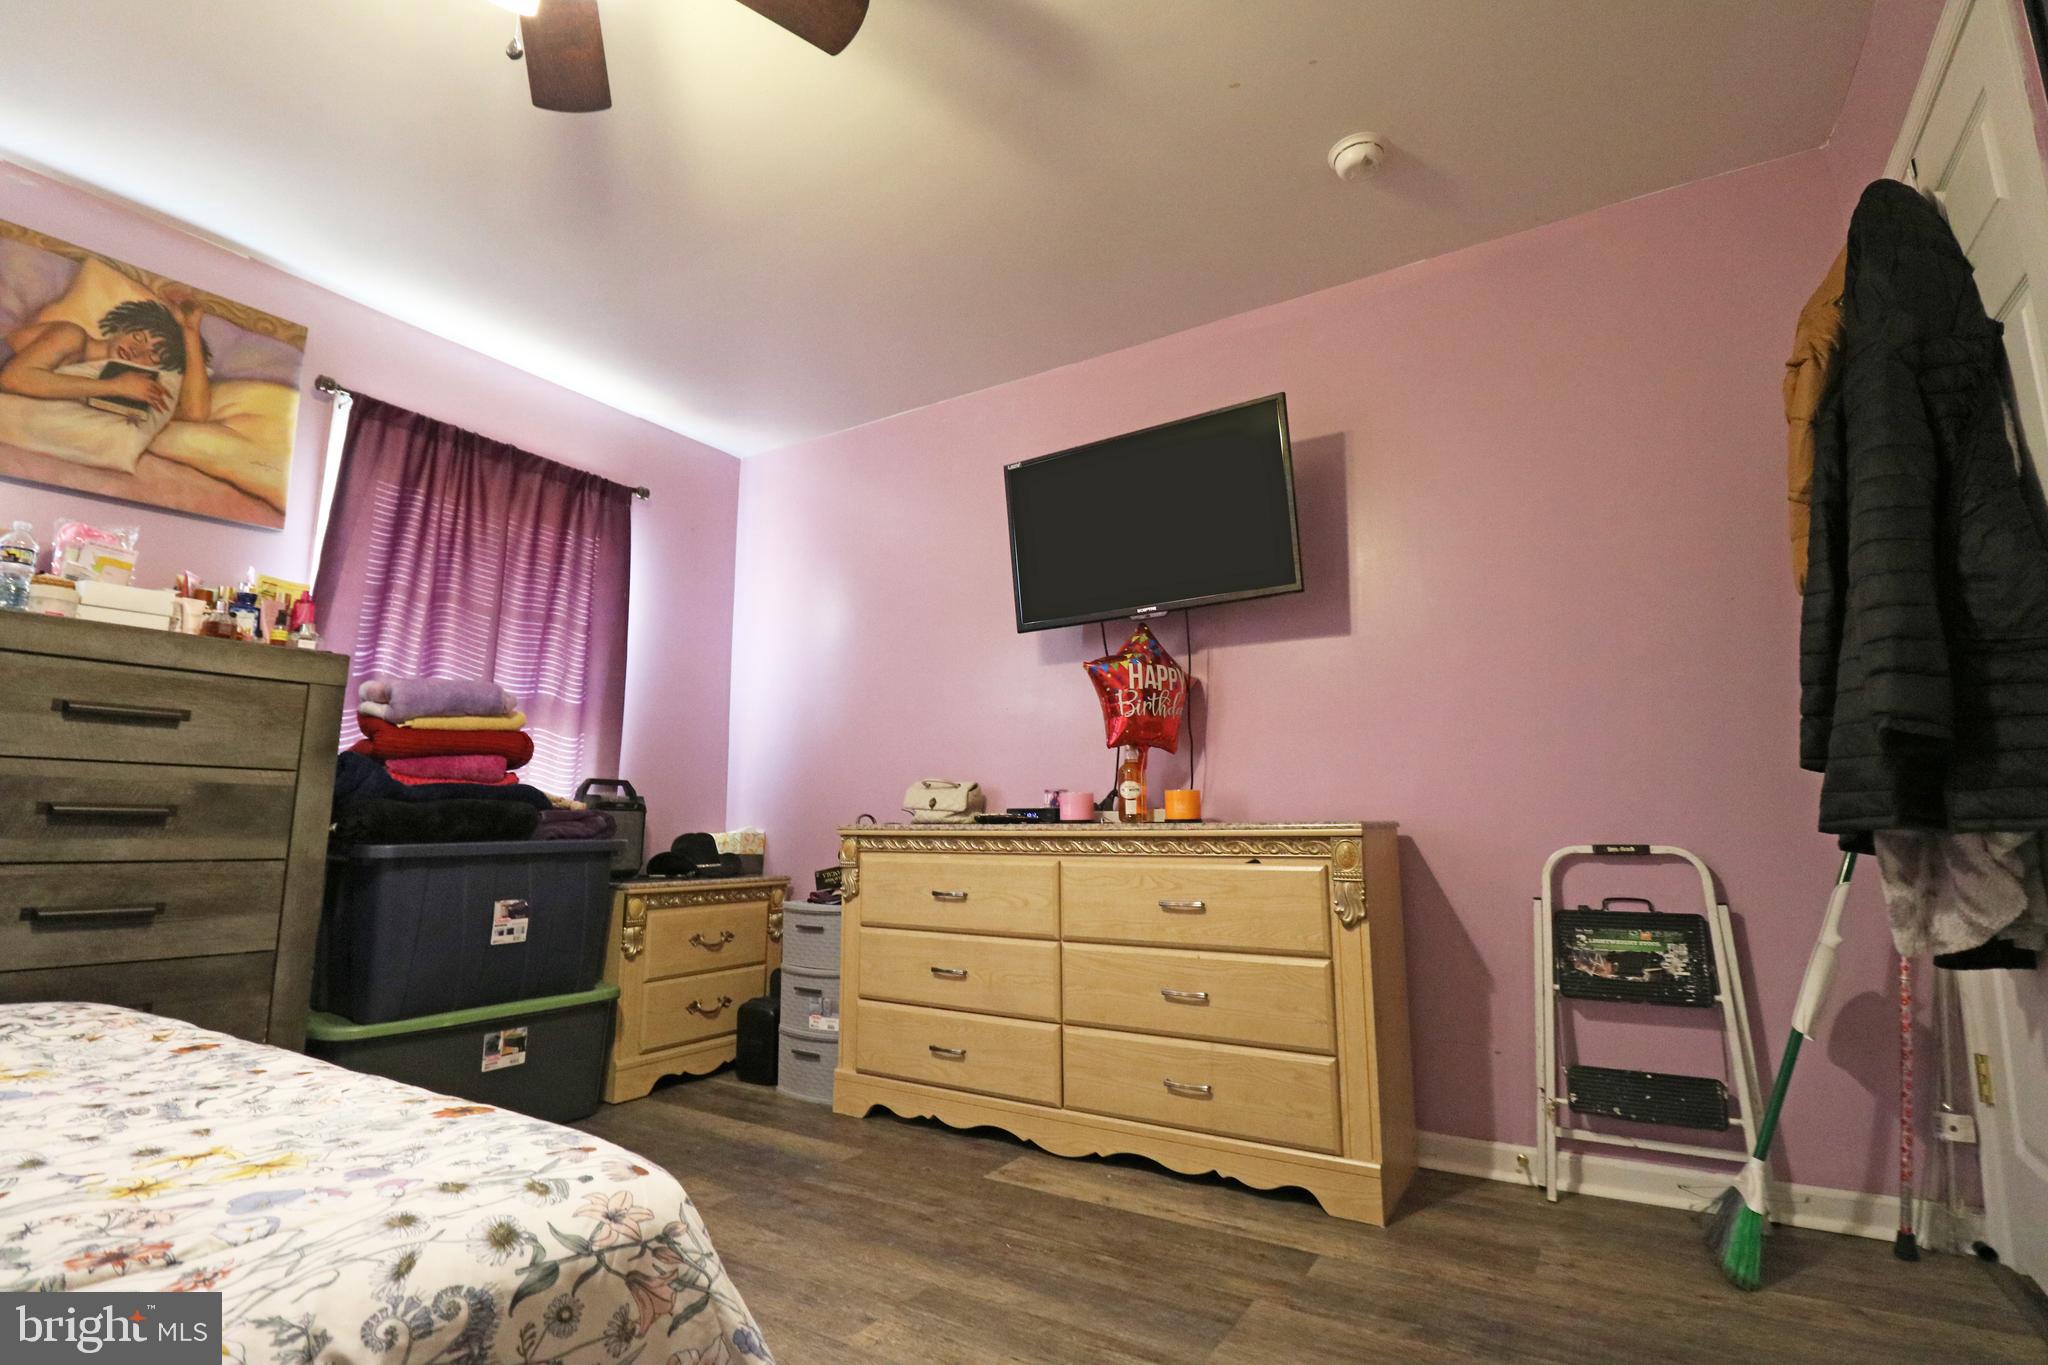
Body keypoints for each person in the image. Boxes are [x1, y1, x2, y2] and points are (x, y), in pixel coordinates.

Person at [0, 291, 210, 422]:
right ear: (119, 327)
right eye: (137, 336)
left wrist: (190, 332)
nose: (136, 350)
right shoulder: (72, 336)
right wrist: (114, 387)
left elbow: (194, 414)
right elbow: (13, 378)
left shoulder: (122, 383)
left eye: (153, 355)